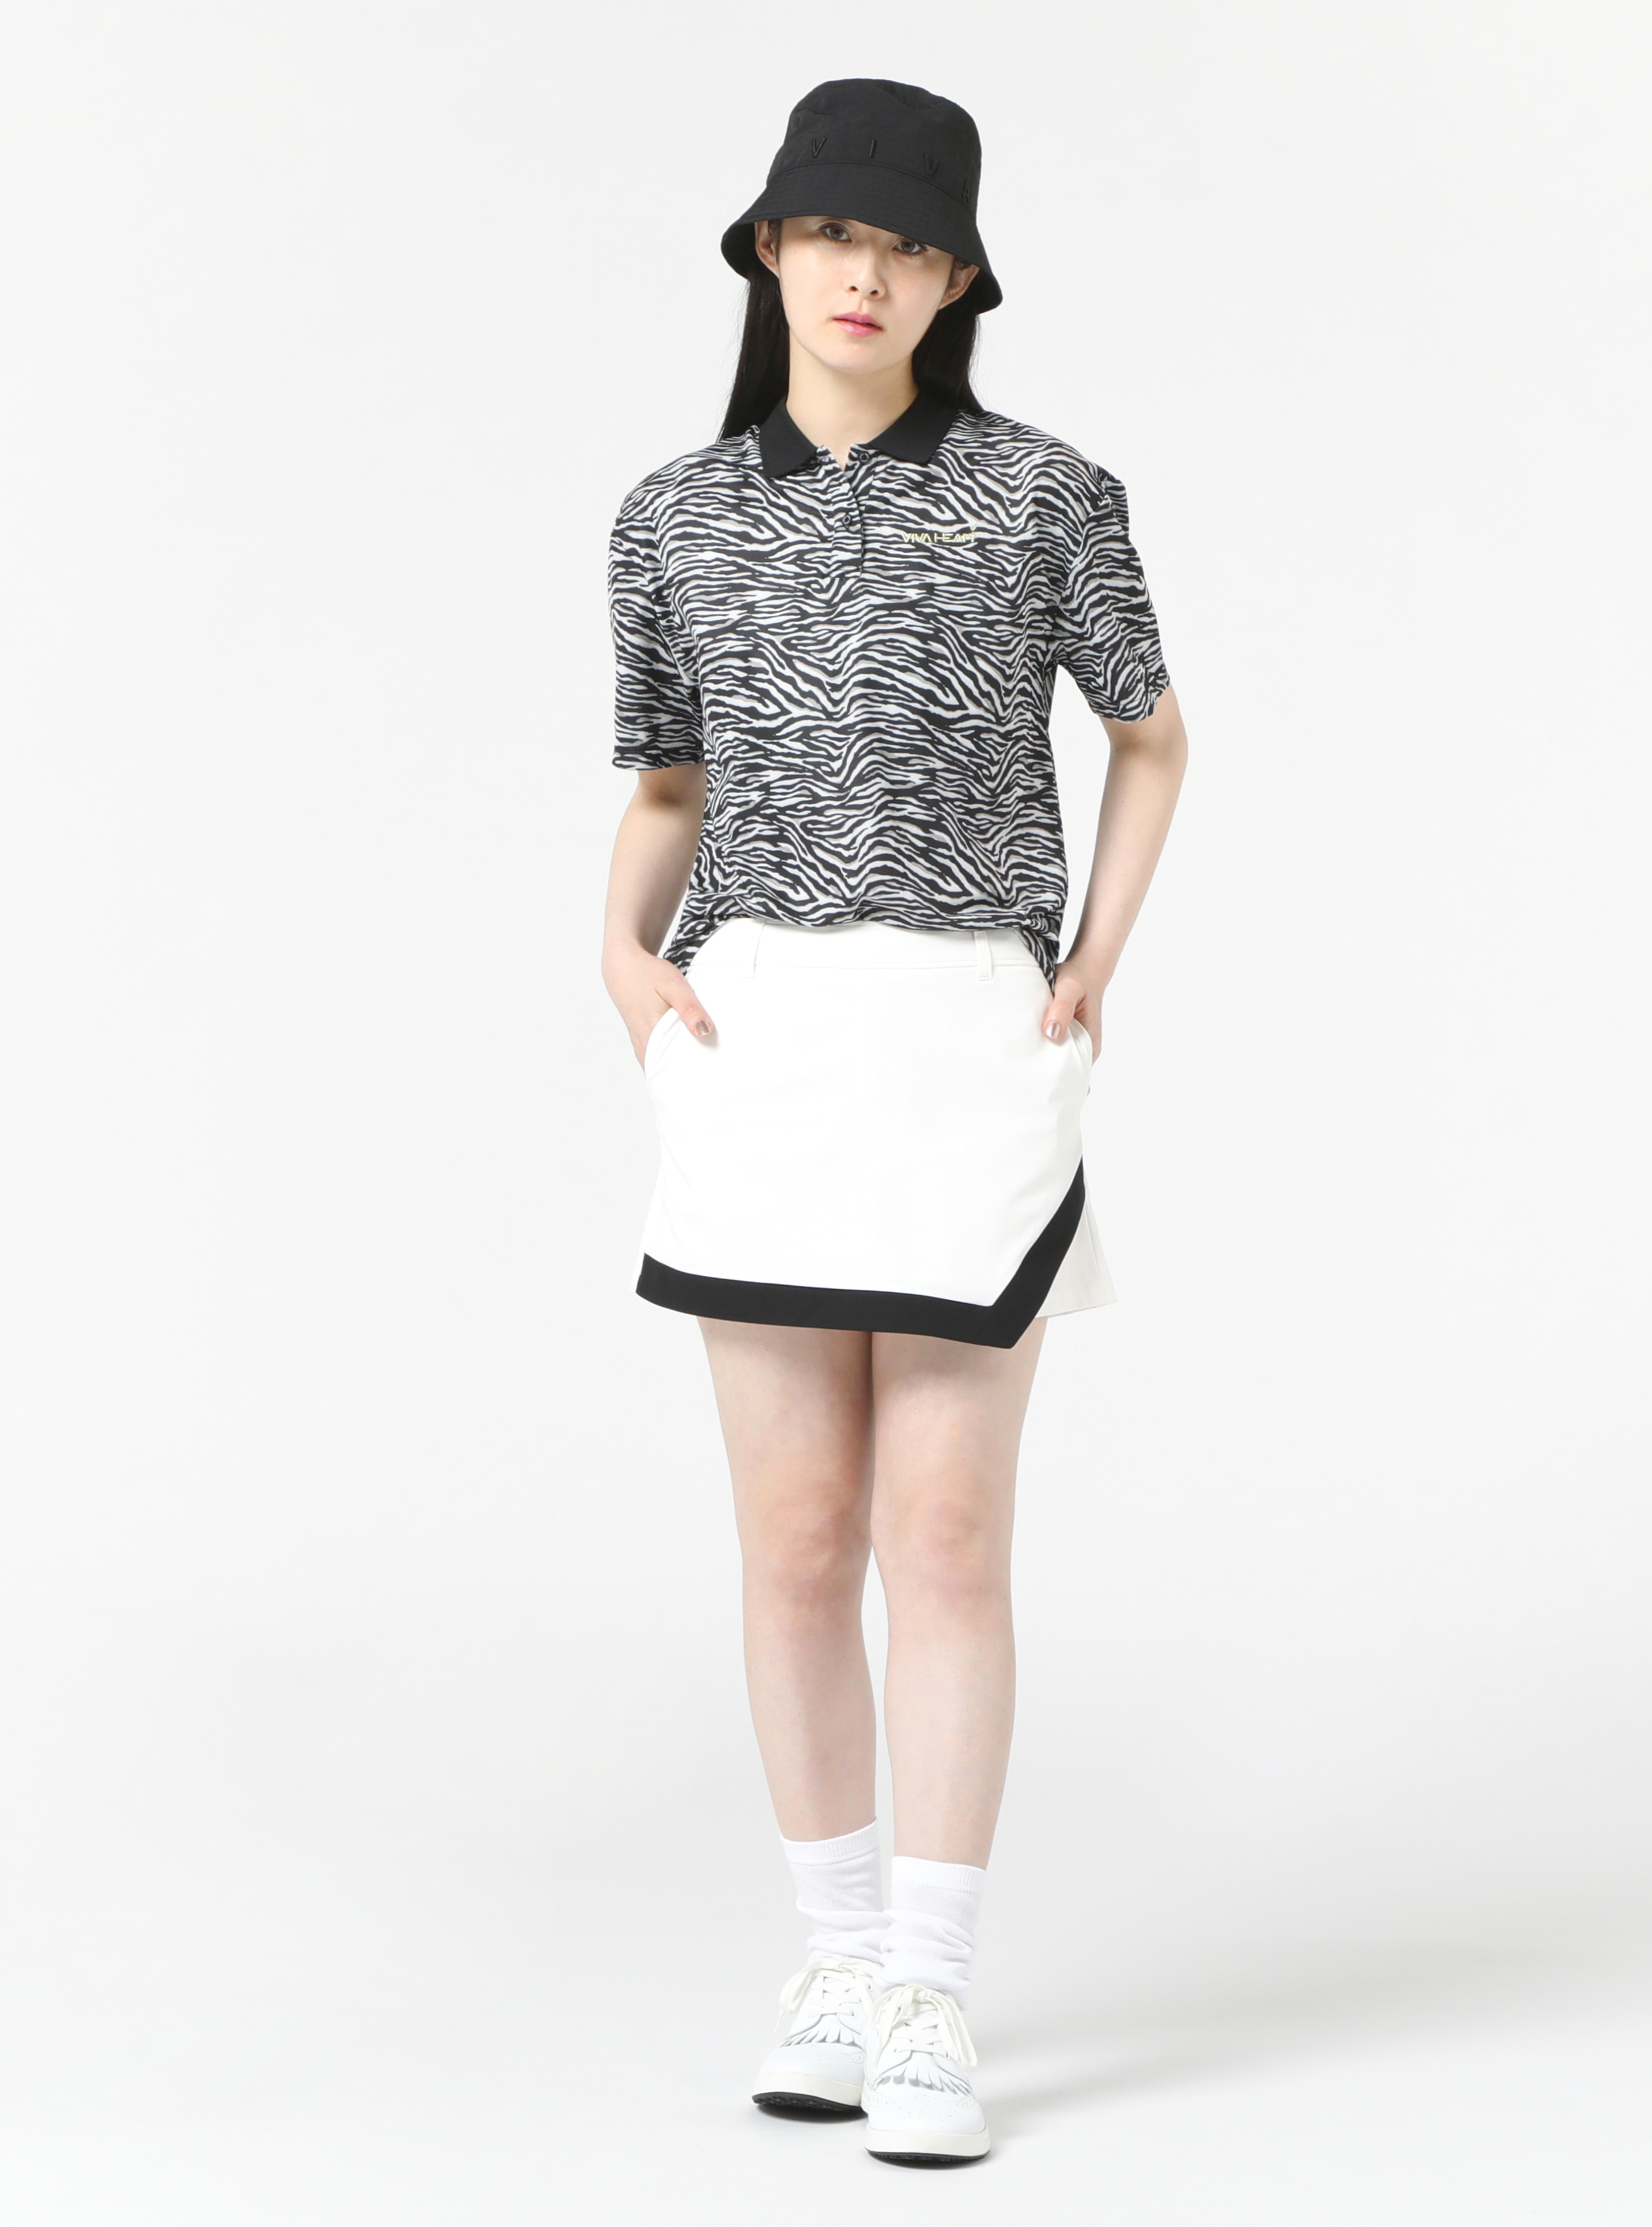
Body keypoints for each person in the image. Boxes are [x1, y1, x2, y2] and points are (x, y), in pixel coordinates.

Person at [598, 78, 1186, 2167]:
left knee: (941, 1533)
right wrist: (620, 958)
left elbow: (1148, 736)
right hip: (760, 1037)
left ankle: (931, 1988)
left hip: (960, 1035)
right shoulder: (670, 515)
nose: (866, 274)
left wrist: (1089, 956)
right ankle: (835, 1962)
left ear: (956, 283)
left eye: (911, 246)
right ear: (770, 249)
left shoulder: (1044, 497)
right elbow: (668, 781)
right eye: (834, 233)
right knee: (792, 1539)